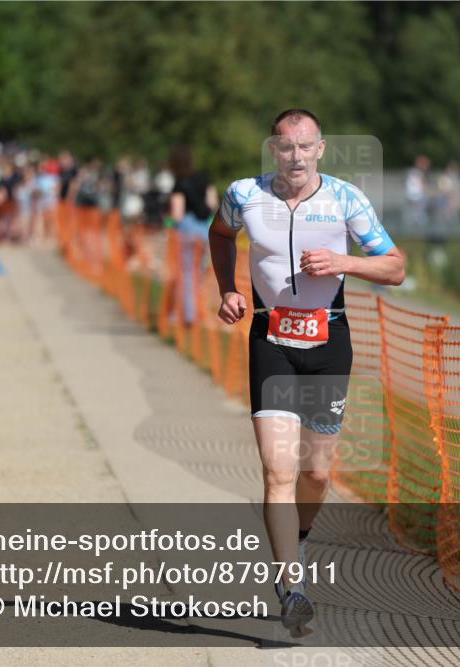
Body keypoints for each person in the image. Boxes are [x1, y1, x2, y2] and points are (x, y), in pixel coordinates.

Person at [209, 109, 405, 633]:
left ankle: (297, 537)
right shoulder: (244, 194)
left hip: (327, 343)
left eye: (305, 147)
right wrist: (228, 288)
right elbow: (220, 235)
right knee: (278, 472)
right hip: (270, 340)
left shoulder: (345, 199)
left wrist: (346, 264)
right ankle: (290, 587)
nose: (295, 156)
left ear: (321, 149)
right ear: (274, 149)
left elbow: (396, 267)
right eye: (286, 146)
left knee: (317, 472)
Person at [167, 144, 218, 326]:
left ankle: (187, 315)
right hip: (204, 231)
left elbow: (177, 214)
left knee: (187, 273)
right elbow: (212, 203)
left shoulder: (179, 183)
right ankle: (201, 311)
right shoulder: (204, 179)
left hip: (187, 231)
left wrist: (168, 223)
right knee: (200, 273)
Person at [404, 154, 431, 228]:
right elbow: (421, 186)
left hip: (415, 198)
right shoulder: (416, 173)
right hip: (416, 198)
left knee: (417, 215)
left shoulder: (414, 172)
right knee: (419, 216)